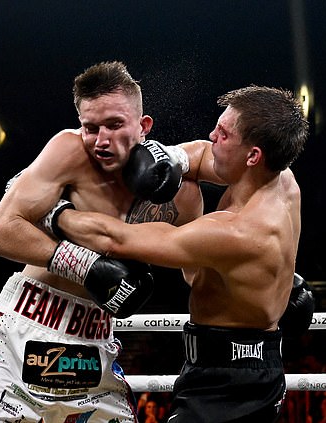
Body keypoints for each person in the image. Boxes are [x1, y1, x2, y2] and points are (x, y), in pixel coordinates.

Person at [0, 60, 203, 422]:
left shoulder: (181, 197)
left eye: (115, 125)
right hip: (26, 325)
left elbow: (197, 274)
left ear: (144, 126)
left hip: (93, 340)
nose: (101, 141)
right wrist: (83, 265)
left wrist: (260, 280)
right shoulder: (68, 151)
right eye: (91, 127)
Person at [48, 85, 310, 422]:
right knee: (185, 180)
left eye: (225, 134)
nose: (213, 135)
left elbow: (117, 240)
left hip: (228, 385)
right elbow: (201, 154)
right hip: (241, 365)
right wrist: (170, 157)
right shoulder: (280, 179)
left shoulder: (238, 232)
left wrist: (54, 211)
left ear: (253, 155)